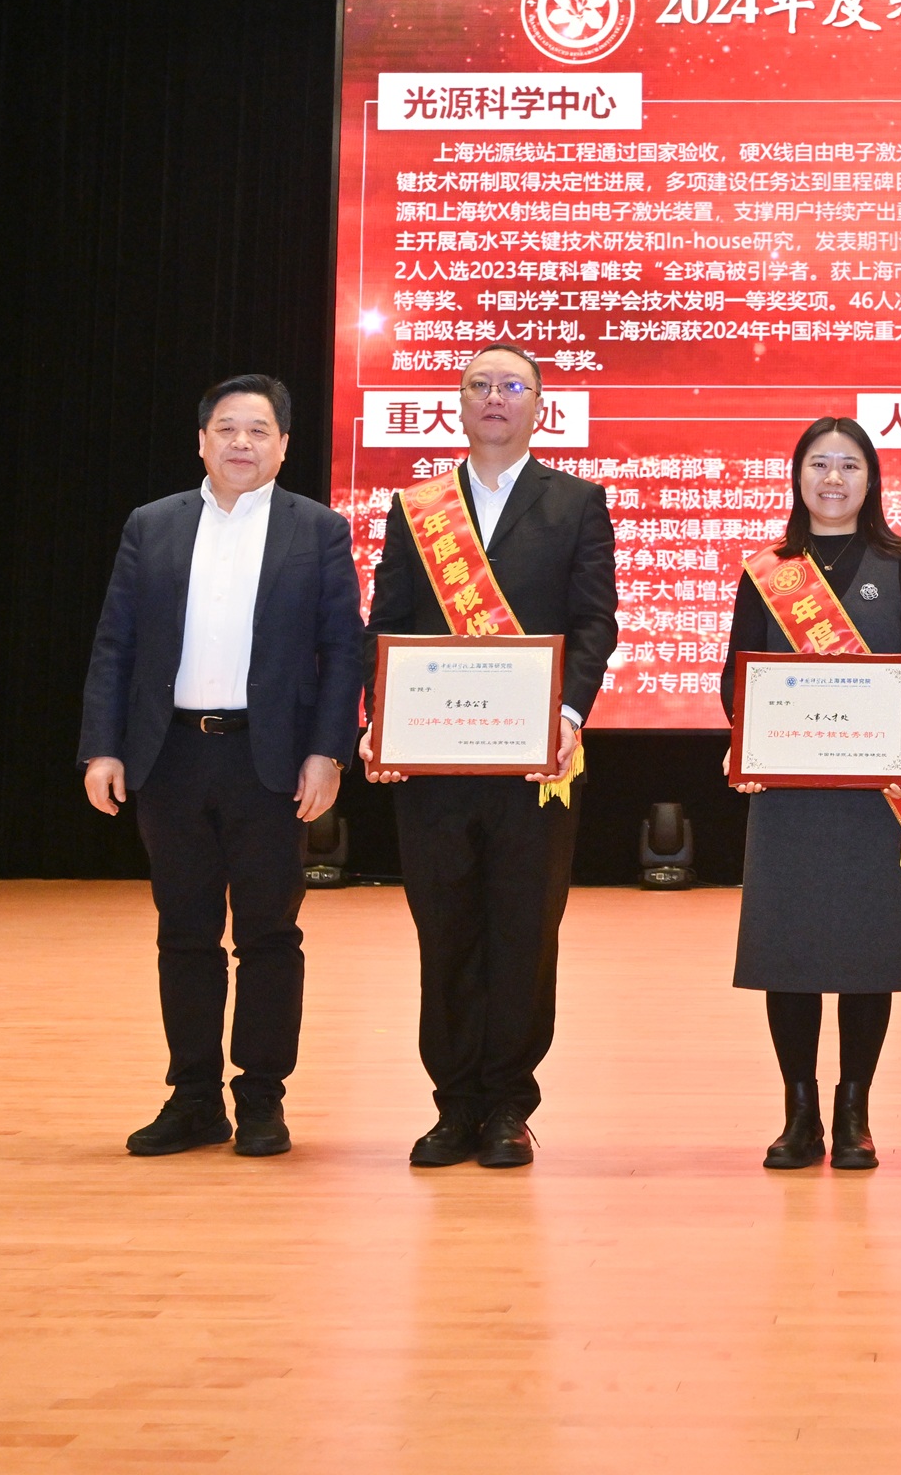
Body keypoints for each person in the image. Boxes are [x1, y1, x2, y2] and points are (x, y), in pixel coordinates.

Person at [78, 374, 367, 1160]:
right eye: (227, 428)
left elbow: (343, 650)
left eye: (259, 430)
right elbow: (115, 643)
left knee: (270, 934)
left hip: (269, 761)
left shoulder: (318, 529)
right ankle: (194, 1098)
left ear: (284, 446)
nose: (242, 442)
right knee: (185, 933)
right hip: (169, 756)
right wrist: (103, 746)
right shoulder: (153, 524)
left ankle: (262, 1097)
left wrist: (328, 751)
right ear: (201, 440)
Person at [366, 345, 618, 1170]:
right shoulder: (418, 509)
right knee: (444, 933)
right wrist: (381, 718)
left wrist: (567, 714)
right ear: (460, 403)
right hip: (434, 765)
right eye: (480, 385)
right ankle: (453, 1105)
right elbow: (387, 623)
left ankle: (509, 1104)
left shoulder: (576, 502)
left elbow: (595, 622)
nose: (495, 398)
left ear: (540, 405)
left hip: (536, 762)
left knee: (524, 933)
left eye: (513, 386)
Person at [720, 419, 901, 1171]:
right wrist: (751, 736)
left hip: (874, 792)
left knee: (866, 952)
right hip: (789, 790)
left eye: (849, 465)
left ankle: (854, 1113)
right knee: (789, 950)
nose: (832, 478)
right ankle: (800, 1114)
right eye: (818, 464)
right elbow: (736, 677)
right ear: (797, 477)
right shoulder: (768, 570)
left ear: (870, 479)